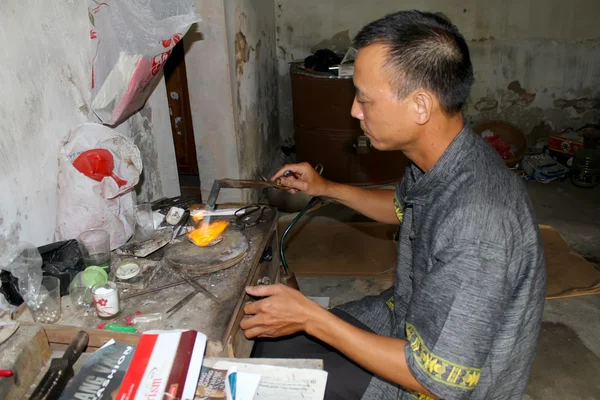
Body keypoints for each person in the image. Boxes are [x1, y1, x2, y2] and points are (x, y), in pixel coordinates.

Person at [241, 10, 546, 400]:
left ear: (420, 106)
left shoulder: (480, 225)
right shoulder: (446, 157)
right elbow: (401, 207)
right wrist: (325, 187)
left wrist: (311, 318)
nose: (354, 110)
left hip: (433, 381)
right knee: (268, 345)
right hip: (404, 319)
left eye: (364, 99)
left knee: (270, 379)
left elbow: (435, 379)